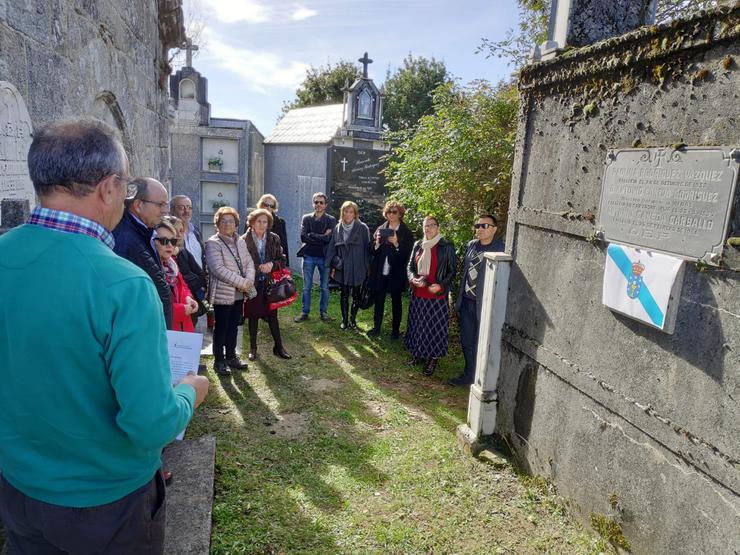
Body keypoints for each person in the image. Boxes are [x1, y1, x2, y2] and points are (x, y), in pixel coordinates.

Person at [0, 117, 209, 555]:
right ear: (108, 188)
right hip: (106, 504)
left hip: (18, 487)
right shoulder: (124, 285)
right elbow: (149, 424)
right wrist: (189, 392)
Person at [449, 215, 505, 386]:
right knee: (467, 339)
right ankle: (469, 374)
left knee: (484, 341)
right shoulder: (471, 245)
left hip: (487, 305)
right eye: (477, 225)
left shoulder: (501, 249)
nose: (480, 228)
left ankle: (484, 378)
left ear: (494, 229)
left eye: (485, 225)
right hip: (467, 302)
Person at [113, 176, 173, 328]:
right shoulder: (124, 238)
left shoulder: (144, 231)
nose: (165, 211)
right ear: (138, 205)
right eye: (160, 205)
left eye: (166, 205)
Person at [205, 206, 255, 376]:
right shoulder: (213, 243)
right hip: (223, 293)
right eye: (223, 221)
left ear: (236, 224)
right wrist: (243, 283)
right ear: (217, 224)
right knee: (221, 327)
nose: (227, 224)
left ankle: (232, 357)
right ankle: (219, 360)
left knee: (234, 326)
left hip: (239, 293)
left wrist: (249, 280)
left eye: (231, 221)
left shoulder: (240, 241)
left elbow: (249, 262)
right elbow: (217, 269)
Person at [404, 215, 457, 377]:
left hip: (436, 296)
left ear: (438, 227)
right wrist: (412, 278)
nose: (428, 229)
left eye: (432, 225)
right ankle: (419, 354)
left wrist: (441, 285)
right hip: (419, 293)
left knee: (434, 328)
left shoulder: (446, 246)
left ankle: (433, 359)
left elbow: (452, 271)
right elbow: (410, 266)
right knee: (419, 325)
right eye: (425, 226)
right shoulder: (418, 245)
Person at [242, 208, 291, 360]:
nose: (262, 225)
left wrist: (272, 265)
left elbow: (282, 259)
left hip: (270, 284)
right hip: (253, 283)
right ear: (252, 223)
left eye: (265, 222)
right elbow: (240, 264)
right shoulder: (243, 240)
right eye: (259, 221)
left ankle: (279, 347)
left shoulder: (274, 238)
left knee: (273, 316)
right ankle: (253, 348)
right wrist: (254, 270)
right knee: (253, 316)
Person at [367, 200, 414, 339]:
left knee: (396, 300)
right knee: (379, 299)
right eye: (389, 212)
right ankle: (376, 327)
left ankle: (395, 330)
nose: (391, 215)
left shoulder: (405, 231)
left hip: (396, 271)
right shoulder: (381, 228)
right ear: (385, 214)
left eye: (394, 212)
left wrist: (396, 243)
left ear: (400, 214)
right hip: (380, 270)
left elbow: (409, 252)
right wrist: (376, 244)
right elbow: (370, 249)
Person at [325, 201, 371, 330]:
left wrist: (368, 268)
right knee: (344, 294)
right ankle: (344, 320)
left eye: (351, 212)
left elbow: (368, 249)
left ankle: (352, 320)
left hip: (358, 266)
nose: (348, 214)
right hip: (343, 267)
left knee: (356, 295)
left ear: (355, 214)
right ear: (342, 212)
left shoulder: (362, 228)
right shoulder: (337, 228)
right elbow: (332, 248)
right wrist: (330, 264)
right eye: (345, 211)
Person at [295, 192, 336, 323]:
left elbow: (329, 239)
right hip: (308, 256)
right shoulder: (306, 218)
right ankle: (304, 312)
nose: (318, 204)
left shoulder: (331, 220)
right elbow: (303, 237)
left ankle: (323, 312)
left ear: (326, 205)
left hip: (324, 257)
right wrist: (321, 237)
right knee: (306, 286)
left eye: (321, 202)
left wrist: (312, 235)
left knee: (324, 287)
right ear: (313, 203)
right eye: (316, 202)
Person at [154, 219, 199, 332]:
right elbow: (151, 307)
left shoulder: (171, 264)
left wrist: (189, 298)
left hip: (183, 328)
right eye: (164, 241)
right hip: (165, 331)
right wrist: (180, 310)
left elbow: (183, 286)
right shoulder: (150, 268)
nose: (169, 245)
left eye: (173, 241)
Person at [170, 194, 207, 323]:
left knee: (192, 322)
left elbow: (201, 258)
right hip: (179, 289)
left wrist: (202, 282)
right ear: (172, 210)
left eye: (189, 207)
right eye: (181, 207)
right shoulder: (168, 235)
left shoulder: (195, 231)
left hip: (196, 288)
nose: (186, 211)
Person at [255, 193, 290, 267]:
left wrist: (286, 265)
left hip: (273, 262)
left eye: (271, 206)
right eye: (266, 205)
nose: (268, 207)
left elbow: (284, 244)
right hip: (255, 260)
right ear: (261, 205)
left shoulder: (280, 222)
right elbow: (246, 241)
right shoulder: (252, 220)